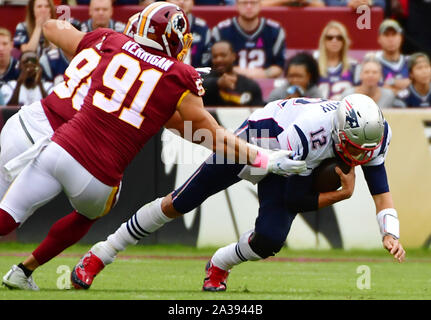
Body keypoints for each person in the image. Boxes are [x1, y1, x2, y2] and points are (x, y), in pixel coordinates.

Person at [1, 3, 305, 291]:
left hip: (60, 144)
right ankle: (25, 270)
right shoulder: (179, 75)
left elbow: (58, 31)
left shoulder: (111, 40)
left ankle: (25, 270)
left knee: (7, 216)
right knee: (90, 213)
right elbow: (206, 133)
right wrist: (264, 158)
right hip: (98, 175)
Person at [70, 93, 405, 291]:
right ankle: (102, 253)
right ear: (338, 130)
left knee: (271, 238)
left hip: (294, 160)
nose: (360, 158)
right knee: (182, 201)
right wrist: (335, 193)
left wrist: (390, 233)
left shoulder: (371, 137)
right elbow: (287, 186)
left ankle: (219, 264)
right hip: (262, 141)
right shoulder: (310, 130)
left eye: (366, 151)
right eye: (354, 148)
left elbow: (381, 192)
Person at [211, 0, 287, 79]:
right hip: (229, 81)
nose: (249, 7)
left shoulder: (275, 30)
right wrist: (240, 73)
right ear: (237, 5)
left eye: (253, 2)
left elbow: (279, 66)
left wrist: (263, 74)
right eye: (244, 3)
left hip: (265, 82)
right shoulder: (221, 31)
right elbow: (214, 65)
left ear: (260, 5)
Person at [202, 40, 263, 106]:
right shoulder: (203, 80)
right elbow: (197, 87)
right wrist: (217, 83)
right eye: (215, 56)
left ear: (233, 56)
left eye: (223, 55)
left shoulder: (250, 86)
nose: (218, 59)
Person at [315, 21, 357, 100]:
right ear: (323, 41)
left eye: (339, 38)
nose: (334, 41)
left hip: (346, 110)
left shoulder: (353, 66)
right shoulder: (314, 66)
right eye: (330, 38)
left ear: (344, 41)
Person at [167, 0, 212, 68]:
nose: (181, 2)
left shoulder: (203, 29)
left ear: (193, 2)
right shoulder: (157, 25)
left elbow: (206, 64)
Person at [375, 19, 410, 94]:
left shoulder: (410, 62)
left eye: (394, 34)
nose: (391, 39)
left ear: (401, 38)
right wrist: (394, 83)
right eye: (386, 35)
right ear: (379, 39)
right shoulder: (374, 62)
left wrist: (389, 84)